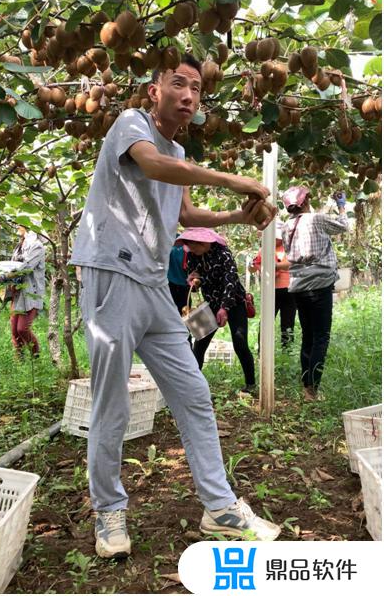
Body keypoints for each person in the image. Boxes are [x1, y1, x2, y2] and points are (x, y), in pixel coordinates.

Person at [71, 53, 280, 558]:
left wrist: (235, 215)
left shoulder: (179, 147)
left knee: (193, 392)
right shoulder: (131, 125)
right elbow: (154, 165)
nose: (189, 96)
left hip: (150, 285)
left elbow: (184, 212)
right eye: (179, 85)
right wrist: (235, 181)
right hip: (112, 272)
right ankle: (108, 511)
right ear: (154, 91)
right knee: (112, 401)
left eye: (197, 91)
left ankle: (219, 507)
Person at [281, 187, 348, 401]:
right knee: (321, 337)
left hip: (299, 286)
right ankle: (312, 390)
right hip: (319, 284)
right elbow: (343, 226)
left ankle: (306, 386)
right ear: (305, 201)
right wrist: (341, 206)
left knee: (308, 336)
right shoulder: (316, 219)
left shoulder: (286, 226)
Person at [176, 227, 256, 394]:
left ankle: (251, 384)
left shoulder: (224, 254)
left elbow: (231, 281)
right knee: (200, 343)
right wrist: (193, 280)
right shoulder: (192, 256)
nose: (191, 249)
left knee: (240, 342)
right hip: (211, 303)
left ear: (204, 243)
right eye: (189, 246)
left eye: (193, 246)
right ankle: (193, 387)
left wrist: (224, 308)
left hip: (234, 302)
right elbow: (196, 280)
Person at [251, 221, 297, 348]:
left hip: (289, 290)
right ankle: (262, 352)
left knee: (288, 324)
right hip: (271, 291)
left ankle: (287, 352)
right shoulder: (264, 249)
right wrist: (257, 266)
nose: (275, 240)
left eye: (277, 237)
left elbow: (292, 263)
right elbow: (254, 266)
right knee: (265, 323)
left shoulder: (290, 248)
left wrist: (273, 266)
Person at [9, 226, 45, 360]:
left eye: (21, 223)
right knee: (14, 331)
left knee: (22, 329)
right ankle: (20, 362)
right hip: (18, 293)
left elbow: (28, 266)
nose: (18, 226)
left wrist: (8, 275)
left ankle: (36, 359)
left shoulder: (37, 246)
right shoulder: (20, 245)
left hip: (31, 292)